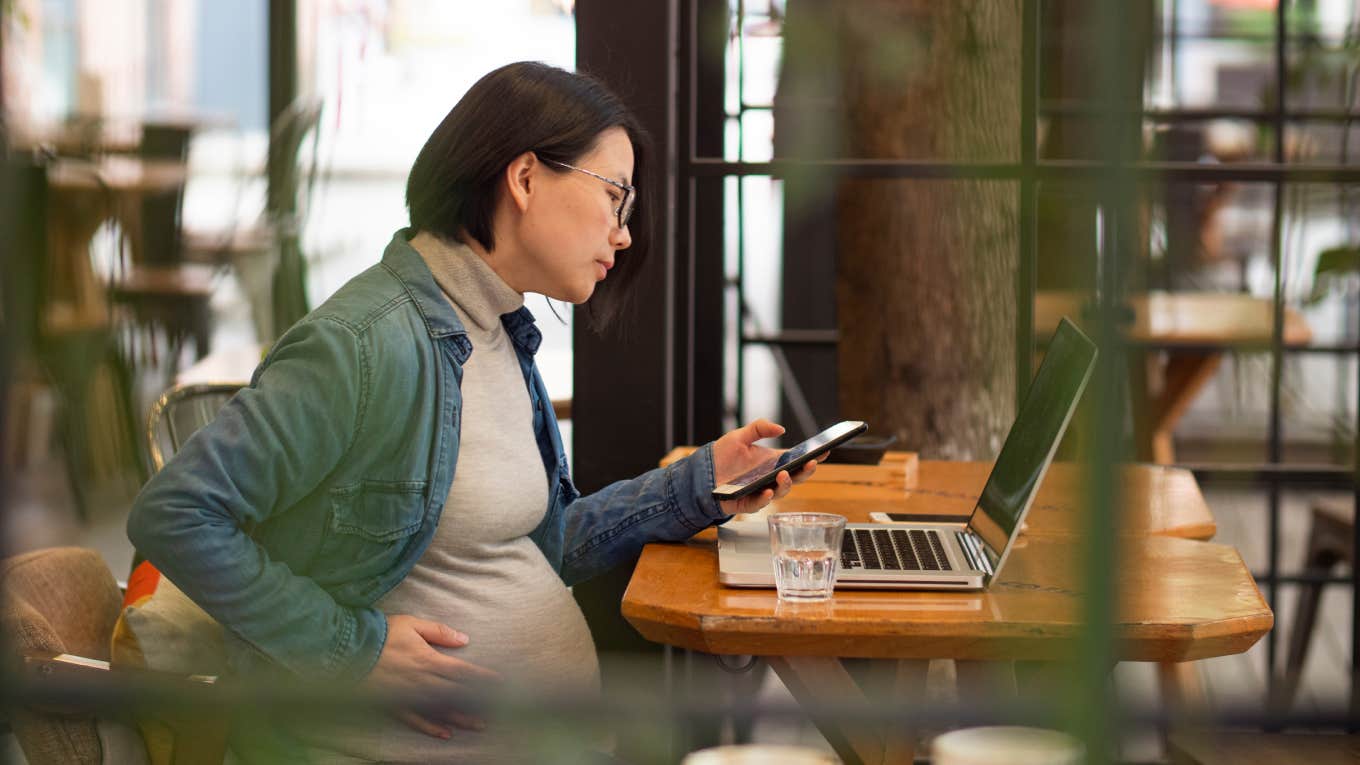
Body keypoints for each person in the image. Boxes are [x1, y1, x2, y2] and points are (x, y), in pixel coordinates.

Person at [127, 61, 817, 763]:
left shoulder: (495, 330)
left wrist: (699, 484)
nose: (624, 233)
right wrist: (352, 651)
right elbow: (176, 513)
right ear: (524, 179)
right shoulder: (364, 344)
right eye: (615, 195)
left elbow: (532, 547)